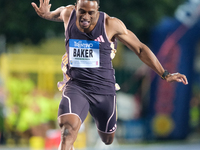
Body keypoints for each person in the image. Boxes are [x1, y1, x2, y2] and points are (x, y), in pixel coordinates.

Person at [31, 0, 188, 149]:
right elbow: (57, 13)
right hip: (76, 86)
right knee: (68, 130)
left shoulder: (110, 24)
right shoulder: (68, 14)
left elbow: (139, 48)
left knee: (108, 138)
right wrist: (47, 14)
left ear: (97, 11)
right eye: (82, 12)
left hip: (103, 89)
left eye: (91, 13)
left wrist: (165, 74)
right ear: (75, 8)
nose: (85, 17)